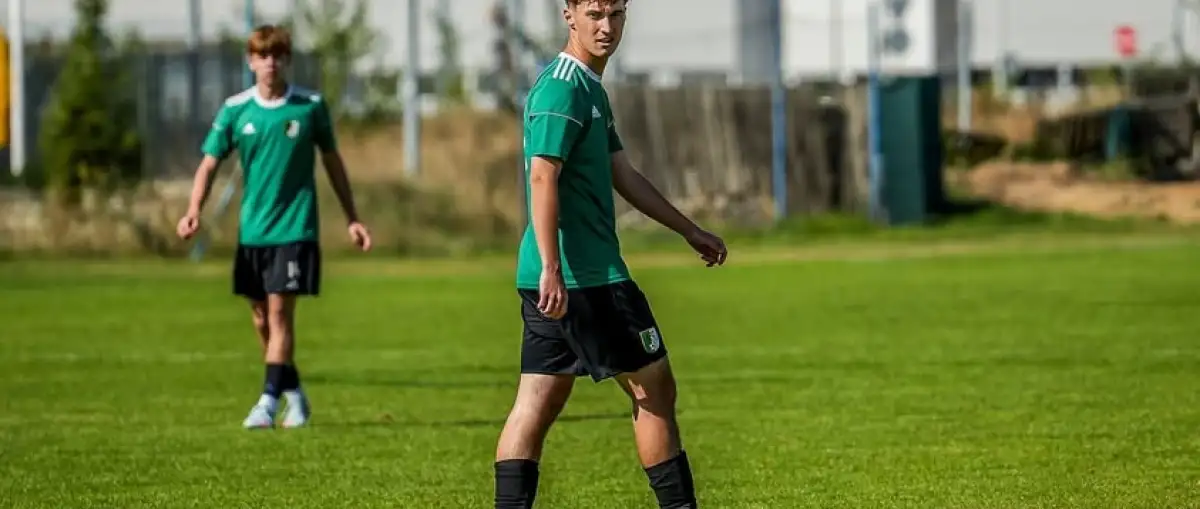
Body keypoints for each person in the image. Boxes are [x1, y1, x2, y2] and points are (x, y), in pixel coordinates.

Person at [494, 1, 727, 507]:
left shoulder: (589, 88)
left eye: (616, 13)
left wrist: (688, 230)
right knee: (655, 391)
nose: (606, 27)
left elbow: (623, 174)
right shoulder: (561, 87)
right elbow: (541, 176)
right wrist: (554, 268)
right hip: (585, 279)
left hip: (556, 277)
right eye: (595, 14)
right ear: (568, 15)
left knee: (538, 399)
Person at [176, 25, 371, 430]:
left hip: (296, 229)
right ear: (251, 62)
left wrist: (352, 217)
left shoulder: (310, 107)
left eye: (278, 55)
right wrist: (194, 209)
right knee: (262, 319)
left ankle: (266, 402)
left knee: (281, 314)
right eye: (262, 56)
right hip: (254, 233)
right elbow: (209, 163)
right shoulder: (235, 110)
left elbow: (334, 164)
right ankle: (294, 394)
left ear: (287, 60)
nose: (270, 63)